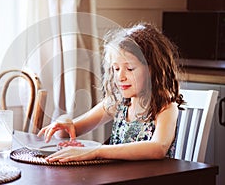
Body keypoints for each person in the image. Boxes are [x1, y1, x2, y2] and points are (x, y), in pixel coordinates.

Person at [37, 22, 184, 163]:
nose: (121, 77)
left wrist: (96, 151)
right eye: (116, 69)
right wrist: (64, 121)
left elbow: (158, 148)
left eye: (130, 69)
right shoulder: (117, 103)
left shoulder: (165, 107)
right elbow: (66, 132)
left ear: (153, 69)